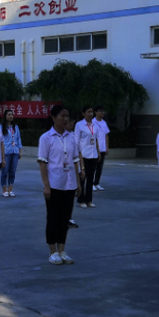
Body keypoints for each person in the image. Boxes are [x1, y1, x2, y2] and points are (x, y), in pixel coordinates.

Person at [38, 105, 82, 265]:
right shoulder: (46, 138)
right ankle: (52, 252)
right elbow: (42, 163)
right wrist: (46, 186)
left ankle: (62, 250)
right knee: (53, 219)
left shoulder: (72, 138)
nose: (65, 119)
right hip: (54, 184)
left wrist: (78, 183)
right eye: (62, 116)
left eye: (67, 116)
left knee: (65, 219)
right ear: (53, 118)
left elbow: (75, 161)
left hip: (69, 184)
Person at [76, 105, 100, 209]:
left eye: (91, 112)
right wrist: (78, 154)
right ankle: (81, 199)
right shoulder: (79, 125)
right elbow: (77, 141)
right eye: (88, 112)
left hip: (93, 154)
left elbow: (96, 139)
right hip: (84, 154)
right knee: (82, 177)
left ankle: (89, 200)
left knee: (90, 179)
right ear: (83, 113)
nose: (90, 113)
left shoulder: (95, 125)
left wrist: (98, 152)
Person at [0, 109, 22, 198]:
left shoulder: (15, 127)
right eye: (9, 114)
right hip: (6, 152)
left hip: (15, 152)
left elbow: (18, 139)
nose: (11, 116)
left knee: (12, 172)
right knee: (4, 171)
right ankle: (4, 190)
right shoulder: (1, 127)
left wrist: (19, 151)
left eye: (12, 114)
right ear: (5, 116)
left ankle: (10, 190)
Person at [91, 105, 110, 191]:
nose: (102, 113)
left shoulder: (104, 123)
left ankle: (97, 183)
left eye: (103, 111)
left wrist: (107, 147)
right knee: (93, 167)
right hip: (94, 148)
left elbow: (106, 135)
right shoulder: (92, 122)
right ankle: (91, 183)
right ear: (95, 112)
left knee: (100, 167)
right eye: (100, 111)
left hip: (102, 148)